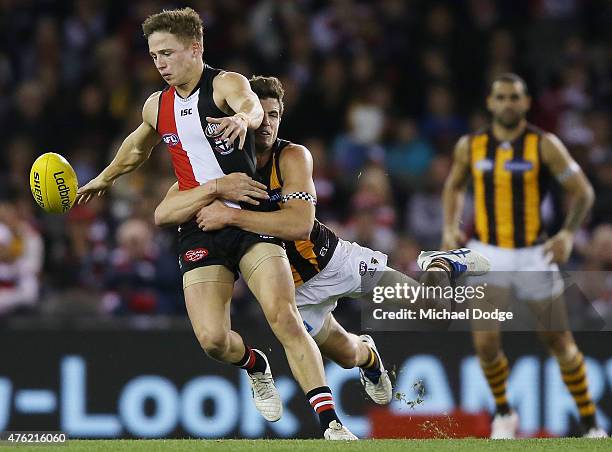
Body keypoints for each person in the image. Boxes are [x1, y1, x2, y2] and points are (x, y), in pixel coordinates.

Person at [75, 8, 355, 439]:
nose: (160, 64)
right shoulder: (158, 106)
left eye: (167, 53)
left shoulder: (225, 84)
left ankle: (331, 425)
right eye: (153, 56)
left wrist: (243, 119)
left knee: (284, 316)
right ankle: (254, 364)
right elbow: (135, 148)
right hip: (201, 225)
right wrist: (102, 179)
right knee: (212, 340)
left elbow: (250, 108)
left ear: (195, 48)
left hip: (248, 215)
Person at [155, 75, 491, 406]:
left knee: (432, 309)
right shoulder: (215, 168)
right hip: (292, 294)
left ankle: (442, 262)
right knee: (347, 356)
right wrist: (206, 194)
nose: (267, 124)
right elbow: (167, 208)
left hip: (334, 262)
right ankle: (370, 359)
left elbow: (300, 225)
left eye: (275, 116)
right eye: (263, 114)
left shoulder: (292, 157)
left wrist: (231, 216)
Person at [442, 73, 607, 438]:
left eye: (514, 97)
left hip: (535, 255)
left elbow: (582, 193)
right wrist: (450, 227)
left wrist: (567, 233)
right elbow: (454, 185)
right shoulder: (471, 146)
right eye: (500, 97)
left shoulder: (544, 145)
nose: (507, 104)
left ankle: (591, 423)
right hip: (487, 254)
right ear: (490, 103)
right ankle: (503, 413)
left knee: (558, 340)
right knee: (485, 342)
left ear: (527, 102)